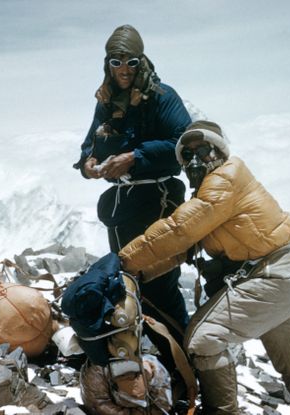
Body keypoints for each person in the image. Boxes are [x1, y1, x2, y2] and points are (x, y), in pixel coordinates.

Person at [119, 120, 290, 415]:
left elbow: (178, 230)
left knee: (203, 339)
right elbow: (183, 248)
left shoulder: (224, 180)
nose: (196, 159)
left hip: (271, 277)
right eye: (188, 154)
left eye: (204, 150)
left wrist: (122, 261)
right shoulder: (217, 190)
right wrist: (138, 272)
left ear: (220, 152)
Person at [73, 24, 192, 337]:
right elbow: (89, 146)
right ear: (107, 64)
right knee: (129, 280)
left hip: (158, 202)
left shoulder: (162, 97)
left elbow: (183, 142)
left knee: (160, 283)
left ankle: (185, 363)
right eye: (116, 62)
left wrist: (135, 157)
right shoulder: (106, 102)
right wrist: (89, 164)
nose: (124, 69)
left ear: (142, 61)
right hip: (123, 209)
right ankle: (149, 359)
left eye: (131, 62)